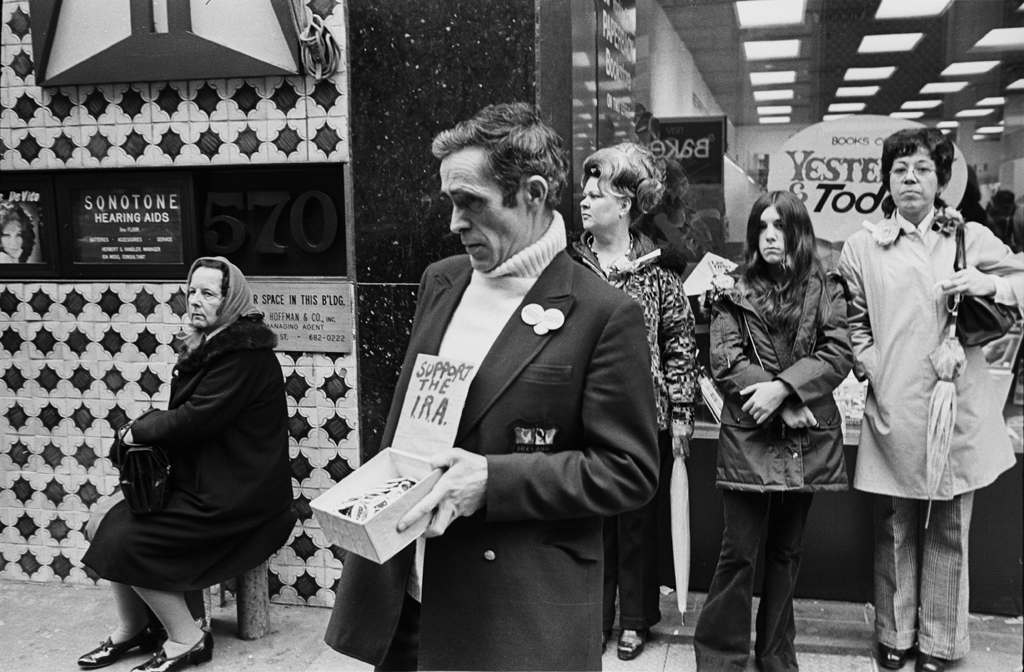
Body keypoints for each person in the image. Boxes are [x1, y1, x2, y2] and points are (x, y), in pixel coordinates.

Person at [323, 102, 660, 671]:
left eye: (470, 203)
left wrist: (494, 481)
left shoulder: (605, 313)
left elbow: (629, 471)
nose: (454, 222)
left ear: (532, 193)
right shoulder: (442, 280)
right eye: (450, 202)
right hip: (409, 603)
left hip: (513, 619)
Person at [837, 128, 1024, 672]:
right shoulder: (862, 246)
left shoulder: (970, 237)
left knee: (948, 526)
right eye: (899, 170)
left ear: (941, 179)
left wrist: (988, 286)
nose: (909, 180)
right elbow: (852, 321)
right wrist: (869, 364)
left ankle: (941, 642)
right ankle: (895, 634)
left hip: (957, 404)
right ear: (886, 181)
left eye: (921, 169)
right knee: (894, 522)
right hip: (896, 401)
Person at [80, 256, 296, 672]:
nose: (195, 301)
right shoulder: (209, 345)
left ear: (230, 300)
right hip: (201, 485)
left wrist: (135, 430)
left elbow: (195, 419)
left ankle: (188, 638)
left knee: (126, 541)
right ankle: (135, 628)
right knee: (98, 520)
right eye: (191, 291)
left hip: (237, 499)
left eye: (208, 293)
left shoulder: (244, 357)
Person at [693, 190, 853, 672]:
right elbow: (725, 360)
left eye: (778, 227)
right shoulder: (732, 289)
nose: (768, 236)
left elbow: (836, 354)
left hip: (805, 440)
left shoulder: (826, 289)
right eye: (761, 227)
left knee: (786, 552)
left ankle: (776, 655)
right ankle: (721, 658)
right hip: (750, 433)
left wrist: (783, 390)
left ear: (798, 234)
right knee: (738, 551)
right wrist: (778, 402)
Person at [570, 142, 697, 661]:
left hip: (646, 416)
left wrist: (684, 411)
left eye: (596, 192)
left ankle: (636, 618)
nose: (584, 199)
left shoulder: (658, 271)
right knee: (590, 521)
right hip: (581, 415)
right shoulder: (569, 266)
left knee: (638, 523)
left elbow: (680, 342)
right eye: (584, 189)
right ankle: (594, 614)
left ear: (624, 204)